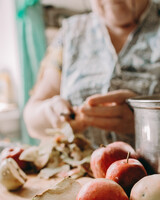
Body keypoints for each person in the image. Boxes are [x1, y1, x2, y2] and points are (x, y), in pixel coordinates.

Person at [23, 0, 160, 148]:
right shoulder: (71, 32)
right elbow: (32, 119)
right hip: (77, 169)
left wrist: (144, 118)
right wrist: (51, 113)